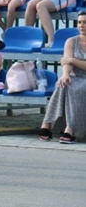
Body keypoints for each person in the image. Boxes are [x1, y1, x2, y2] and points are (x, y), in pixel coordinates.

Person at [39, 11, 86, 143]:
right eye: (80, 22)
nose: (82, 25)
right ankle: (47, 124)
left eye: (85, 22)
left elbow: (70, 60)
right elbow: (66, 62)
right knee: (63, 84)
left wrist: (73, 60)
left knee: (77, 89)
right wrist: (65, 75)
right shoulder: (71, 41)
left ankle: (70, 128)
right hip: (76, 76)